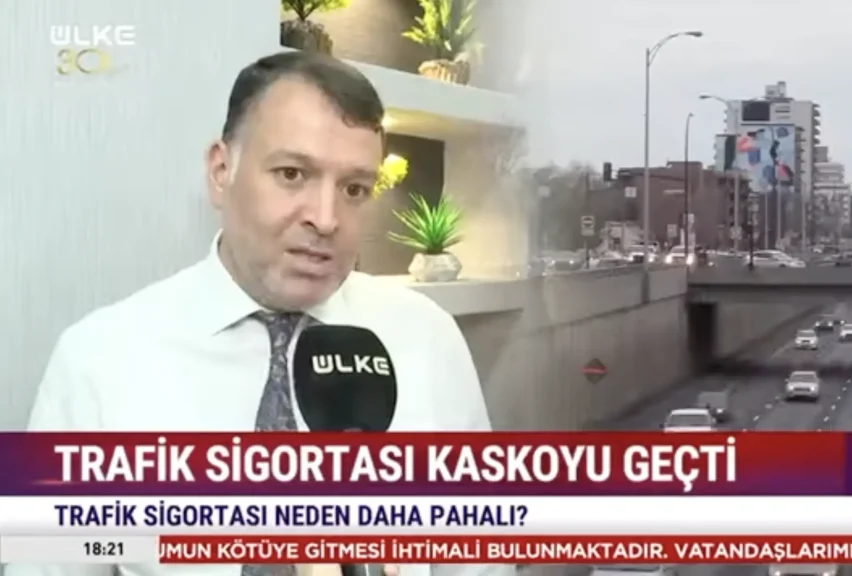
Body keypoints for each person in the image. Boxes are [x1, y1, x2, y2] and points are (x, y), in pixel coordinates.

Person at [15, 51, 510, 576]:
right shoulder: (97, 360)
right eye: (292, 173)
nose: (326, 219)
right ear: (221, 172)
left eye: (354, 189)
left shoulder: (428, 338)